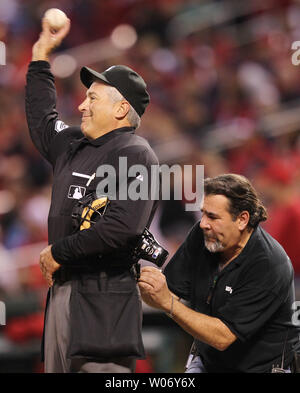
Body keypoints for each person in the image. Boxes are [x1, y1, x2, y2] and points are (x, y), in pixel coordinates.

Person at [25, 18, 159, 373]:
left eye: (92, 98)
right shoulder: (73, 145)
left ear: (120, 109)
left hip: (104, 302)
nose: (82, 105)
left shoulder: (135, 154)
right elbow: (42, 119)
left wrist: (58, 251)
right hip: (63, 292)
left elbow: (122, 227)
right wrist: (40, 57)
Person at [138, 174, 300, 373]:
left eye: (213, 217)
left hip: (261, 367)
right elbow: (170, 290)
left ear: (242, 219)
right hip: (209, 362)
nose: (204, 223)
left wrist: (167, 304)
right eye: (203, 213)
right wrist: (150, 288)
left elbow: (223, 337)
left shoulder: (270, 264)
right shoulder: (203, 234)